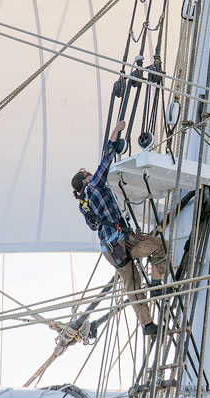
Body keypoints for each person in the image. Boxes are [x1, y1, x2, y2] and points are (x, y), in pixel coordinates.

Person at [71, 121, 166, 336]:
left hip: (110, 251)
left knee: (132, 285)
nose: (91, 175)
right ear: (86, 181)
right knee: (159, 247)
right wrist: (116, 131)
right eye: (88, 175)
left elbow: (94, 225)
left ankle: (147, 325)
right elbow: (107, 157)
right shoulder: (95, 185)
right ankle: (158, 283)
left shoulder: (83, 205)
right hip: (124, 241)